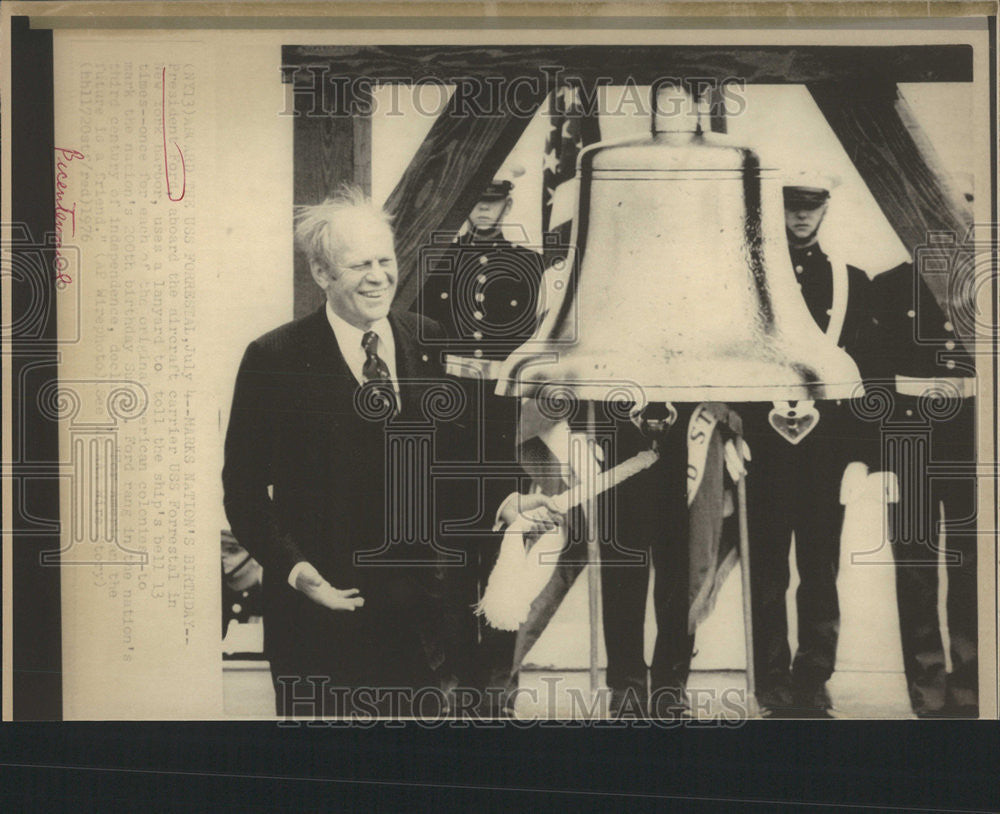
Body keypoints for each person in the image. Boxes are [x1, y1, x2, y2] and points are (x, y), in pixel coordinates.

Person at [223, 188, 452, 717]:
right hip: (316, 622)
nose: (378, 276)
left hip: (416, 624)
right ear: (322, 274)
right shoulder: (273, 357)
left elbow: (449, 466)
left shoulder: (428, 338)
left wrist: (506, 502)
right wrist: (299, 573)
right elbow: (244, 492)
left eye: (385, 260)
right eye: (359, 265)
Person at [413, 166, 548, 716]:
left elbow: (542, 340)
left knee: (504, 554)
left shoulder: (529, 264)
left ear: (508, 203)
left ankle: (496, 687)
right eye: (477, 200)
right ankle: (452, 684)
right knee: (449, 557)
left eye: (494, 200)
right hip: (450, 416)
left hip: (503, 416)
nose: (484, 210)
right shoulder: (436, 258)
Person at [742, 174, 877, 718]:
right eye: (792, 209)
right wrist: (733, 427)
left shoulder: (851, 280)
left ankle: (814, 676)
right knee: (768, 569)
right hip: (765, 446)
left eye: (811, 208)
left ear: (825, 210)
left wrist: (861, 455)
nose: (801, 218)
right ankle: (771, 679)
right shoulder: (751, 280)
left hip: (826, 448)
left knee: (820, 570)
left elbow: (869, 373)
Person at [866, 259, 978, 717]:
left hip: (972, 437)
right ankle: (927, 688)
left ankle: (971, 685)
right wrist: (880, 457)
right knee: (914, 563)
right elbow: (873, 371)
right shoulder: (891, 283)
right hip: (909, 437)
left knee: (973, 563)